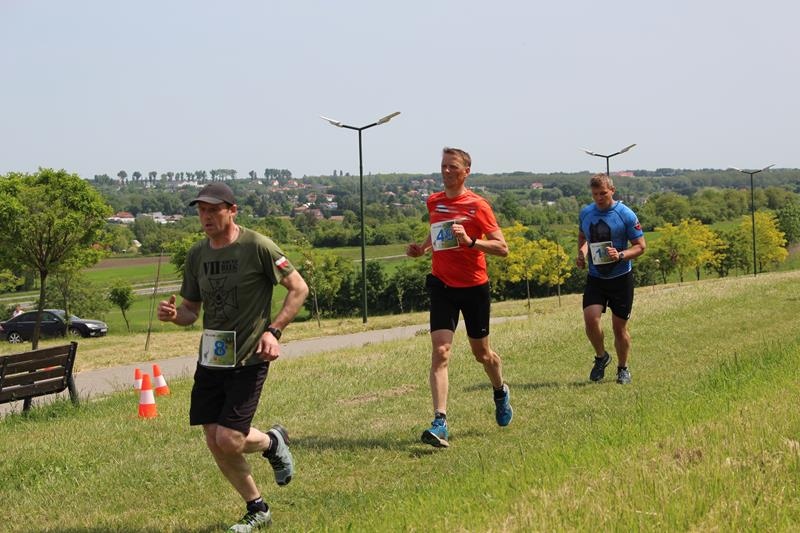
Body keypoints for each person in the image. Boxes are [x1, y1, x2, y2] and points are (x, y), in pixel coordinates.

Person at [158, 182, 308, 532]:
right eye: (201, 210)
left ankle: (272, 442)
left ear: (232, 210)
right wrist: (174, 316)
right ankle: (257, 507)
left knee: (230, 439)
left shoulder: (257, 246)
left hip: (249, 357)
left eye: (213, 210)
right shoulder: (197, 254)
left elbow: (299, 288)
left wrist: (274, 331)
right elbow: (191, 310)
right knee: (214, 439)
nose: (206, 217)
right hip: (212, 358)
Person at [406, 147, 512, 449]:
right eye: (443, 166)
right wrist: (423, 249)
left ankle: (500, 390)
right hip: (442, 286)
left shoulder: (478, 206)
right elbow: (436, 233)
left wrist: (471, 242)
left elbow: (502, 248)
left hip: (474, 288)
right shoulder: (434, 201)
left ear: (466, 171)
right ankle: (440, 422)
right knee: (441, 352)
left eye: (453, 166)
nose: (446, 171)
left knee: (482, 354)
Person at [576, 173, 646, 385]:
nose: (599, 198)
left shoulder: (625, 214)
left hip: (620, 279)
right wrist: (581, 254)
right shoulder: (586, 213)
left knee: (619, 328)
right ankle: (601, 357)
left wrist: (621, 255)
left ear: (612, 191)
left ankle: (623, 368)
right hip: (596, 278)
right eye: (595, 194)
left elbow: (640, 247)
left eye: (603, 193)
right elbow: (583, 237)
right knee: (591, 320)